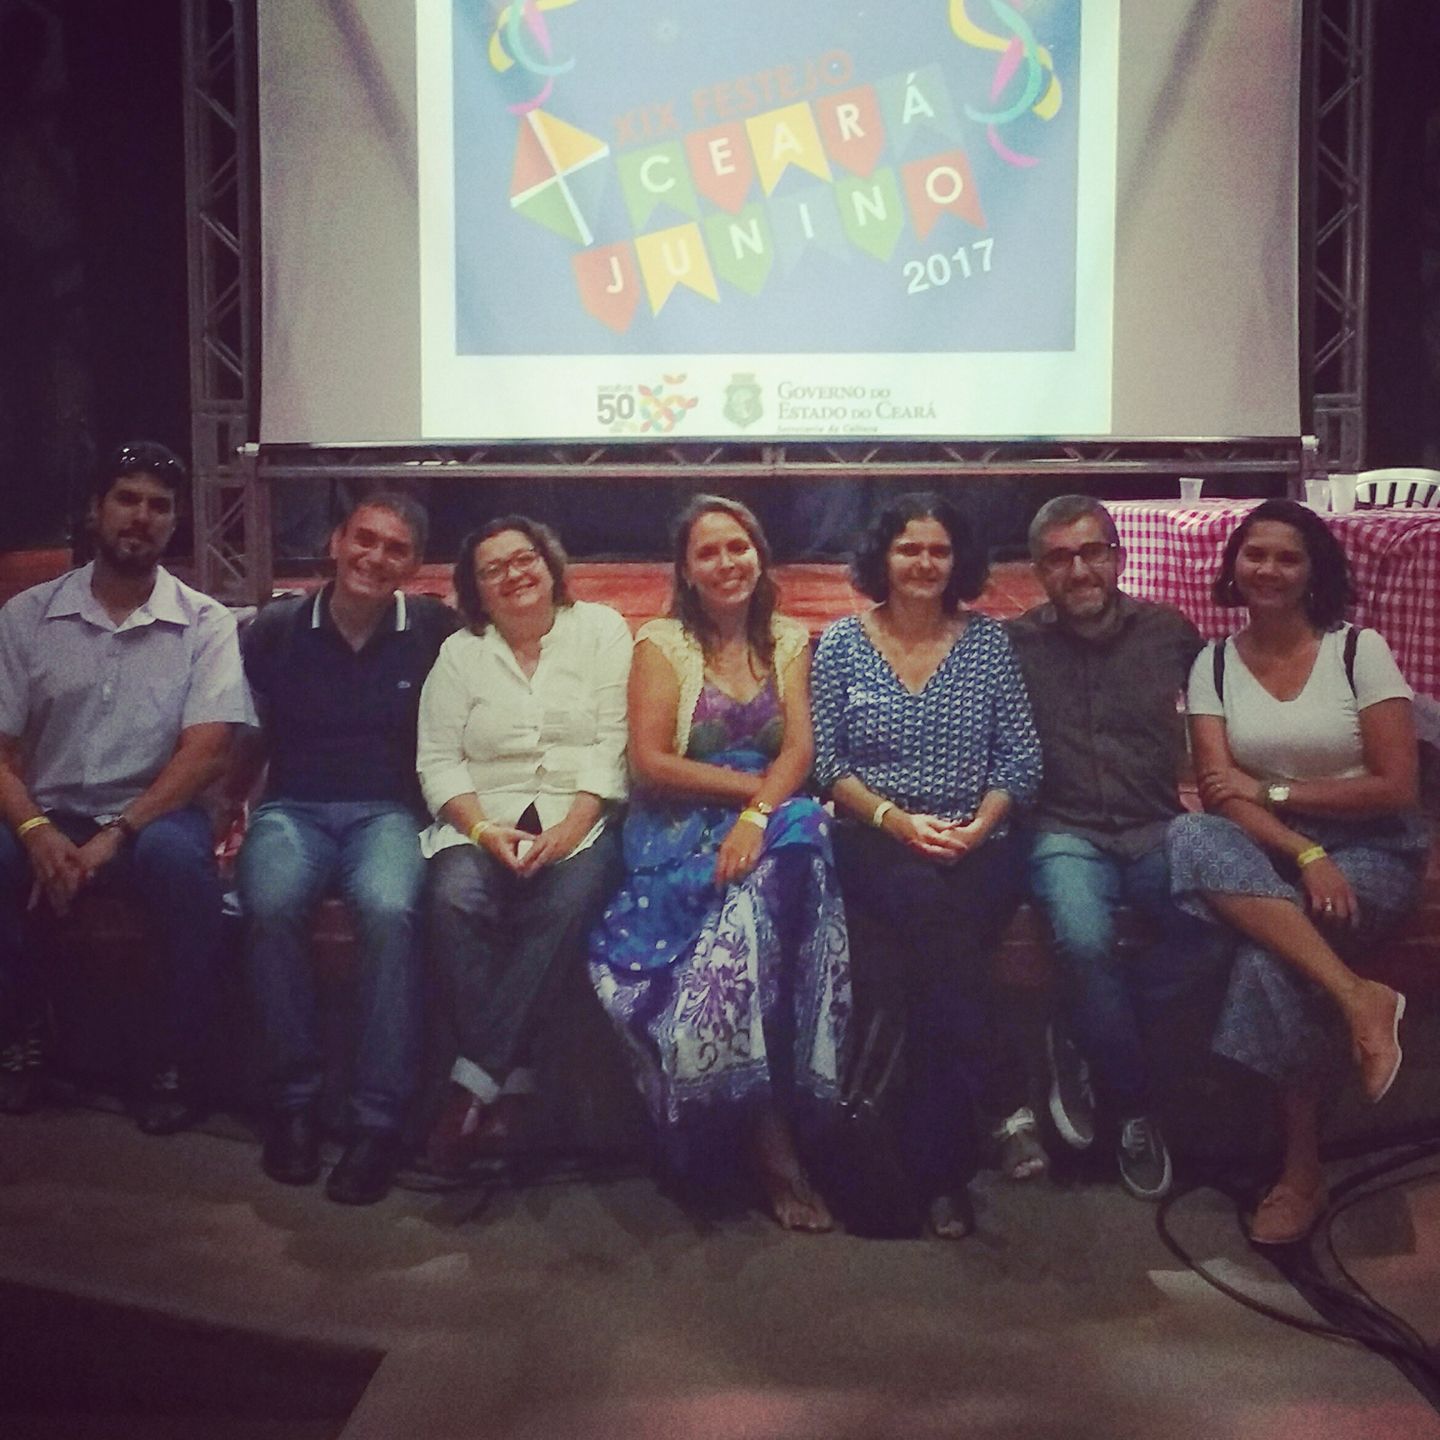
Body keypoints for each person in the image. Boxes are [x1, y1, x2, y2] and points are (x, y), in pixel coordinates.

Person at [1169, 498, 1428, 1245]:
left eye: (1288, 557)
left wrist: (1276, 793)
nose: (1270, 570)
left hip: (1375, 845)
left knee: (1267, 957)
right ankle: (1358, 998)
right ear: (1234, 567)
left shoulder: (1358, 651)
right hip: (1278, 847)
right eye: (1256, 555)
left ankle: (1301, 1170)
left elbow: (1397, 787)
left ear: (1315, 570)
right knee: (1188, 832)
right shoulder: (1214, 663)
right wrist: (1304, 852)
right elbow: (1219, 794)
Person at [590, 495, 850, 1233]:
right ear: (686, 570)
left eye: (738, 546)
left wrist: (759, 815)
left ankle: (777, 1112)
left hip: (767, 820)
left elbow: (799, 751)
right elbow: (650, 764)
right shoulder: (663, 643)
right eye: (708, 552)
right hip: (678, 827)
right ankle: (767, 1136)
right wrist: (753, 798)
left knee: (802, 838)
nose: (727, 562)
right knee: (781, 855)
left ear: (759, 555)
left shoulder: (788, 639)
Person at [0, 441, 254, 1130]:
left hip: (154, 815)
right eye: (127, 499)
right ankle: (20, 1031)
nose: (141, 517)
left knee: (182, 869)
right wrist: (35, 832)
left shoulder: (205, 623)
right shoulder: (26, 617)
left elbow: (206, 754)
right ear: (96, 510)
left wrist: (116, 834)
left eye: (159, 506)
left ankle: (174, 1058)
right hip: (49, 810)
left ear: (174, 523)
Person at [811, 492, 1041, 1237]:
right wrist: (897, 821)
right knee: (935, 924)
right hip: (874, 838)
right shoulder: (842, 644)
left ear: (958, 561)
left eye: (939, 550)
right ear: (882, 557)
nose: (924, 562)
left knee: (926, 968)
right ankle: (1003, 1099)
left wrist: (977, 829)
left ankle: (935, 1181)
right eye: (909, 548)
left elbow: (1020, 760)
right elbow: (826, 764)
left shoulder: (989, 644)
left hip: (977, 845)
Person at [233, 492, 456, 1205]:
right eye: (365, 539)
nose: (375, 557)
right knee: (269, 904)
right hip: (292, 810)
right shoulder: (274, 629)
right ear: (335, 542)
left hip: (387, 814)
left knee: (390, 911)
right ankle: (293, 1105)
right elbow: (245, 732)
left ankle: (377, 1123)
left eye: (396, 548)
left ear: (414, 566)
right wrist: (224, 809)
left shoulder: (434, 630)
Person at [1008, 495, 1230, 1201]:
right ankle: (1134, 1108)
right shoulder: (1013, 645)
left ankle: (1082, 1024)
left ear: (1119, 557)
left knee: (1221, 931)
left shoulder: (1170, 633)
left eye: (1091, 552)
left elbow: (1232, 709)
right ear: (1038, 570)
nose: (1078, 570)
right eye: (1059, 558)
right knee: (1083, 942)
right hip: (1063, 831)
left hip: (1157, 826)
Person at [419, 517, 631, 1177]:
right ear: (475, 590)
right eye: (493, 569)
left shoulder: (600, 630)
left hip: (581, 817)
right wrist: (483, 830)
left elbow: (613, 742)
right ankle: (506, 1084)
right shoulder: (460, 654)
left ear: (549, 563)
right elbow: (437, 761)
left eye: (524, 559)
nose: (513, 575)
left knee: (566, 904)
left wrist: (571, 829)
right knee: (453, 899)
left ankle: (472, 1085)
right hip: (481, 821)